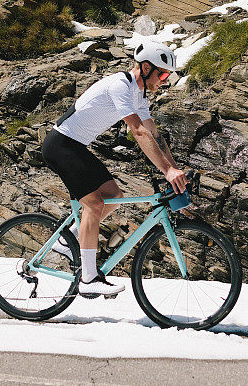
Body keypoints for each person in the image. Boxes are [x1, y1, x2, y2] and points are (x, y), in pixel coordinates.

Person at [41, 41, 187, 298]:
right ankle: (87, 279)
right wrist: (166, 172)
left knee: (114, 197)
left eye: (168, 76)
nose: (165, 80)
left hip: (75, 146)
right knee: (94, 205)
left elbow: (154, 133)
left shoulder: (139, 95)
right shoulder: (121, 86)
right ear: (144, 67)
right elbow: (138, 131)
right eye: (162, 74)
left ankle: (69, 240)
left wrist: (175, 169)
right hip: (60, 145)